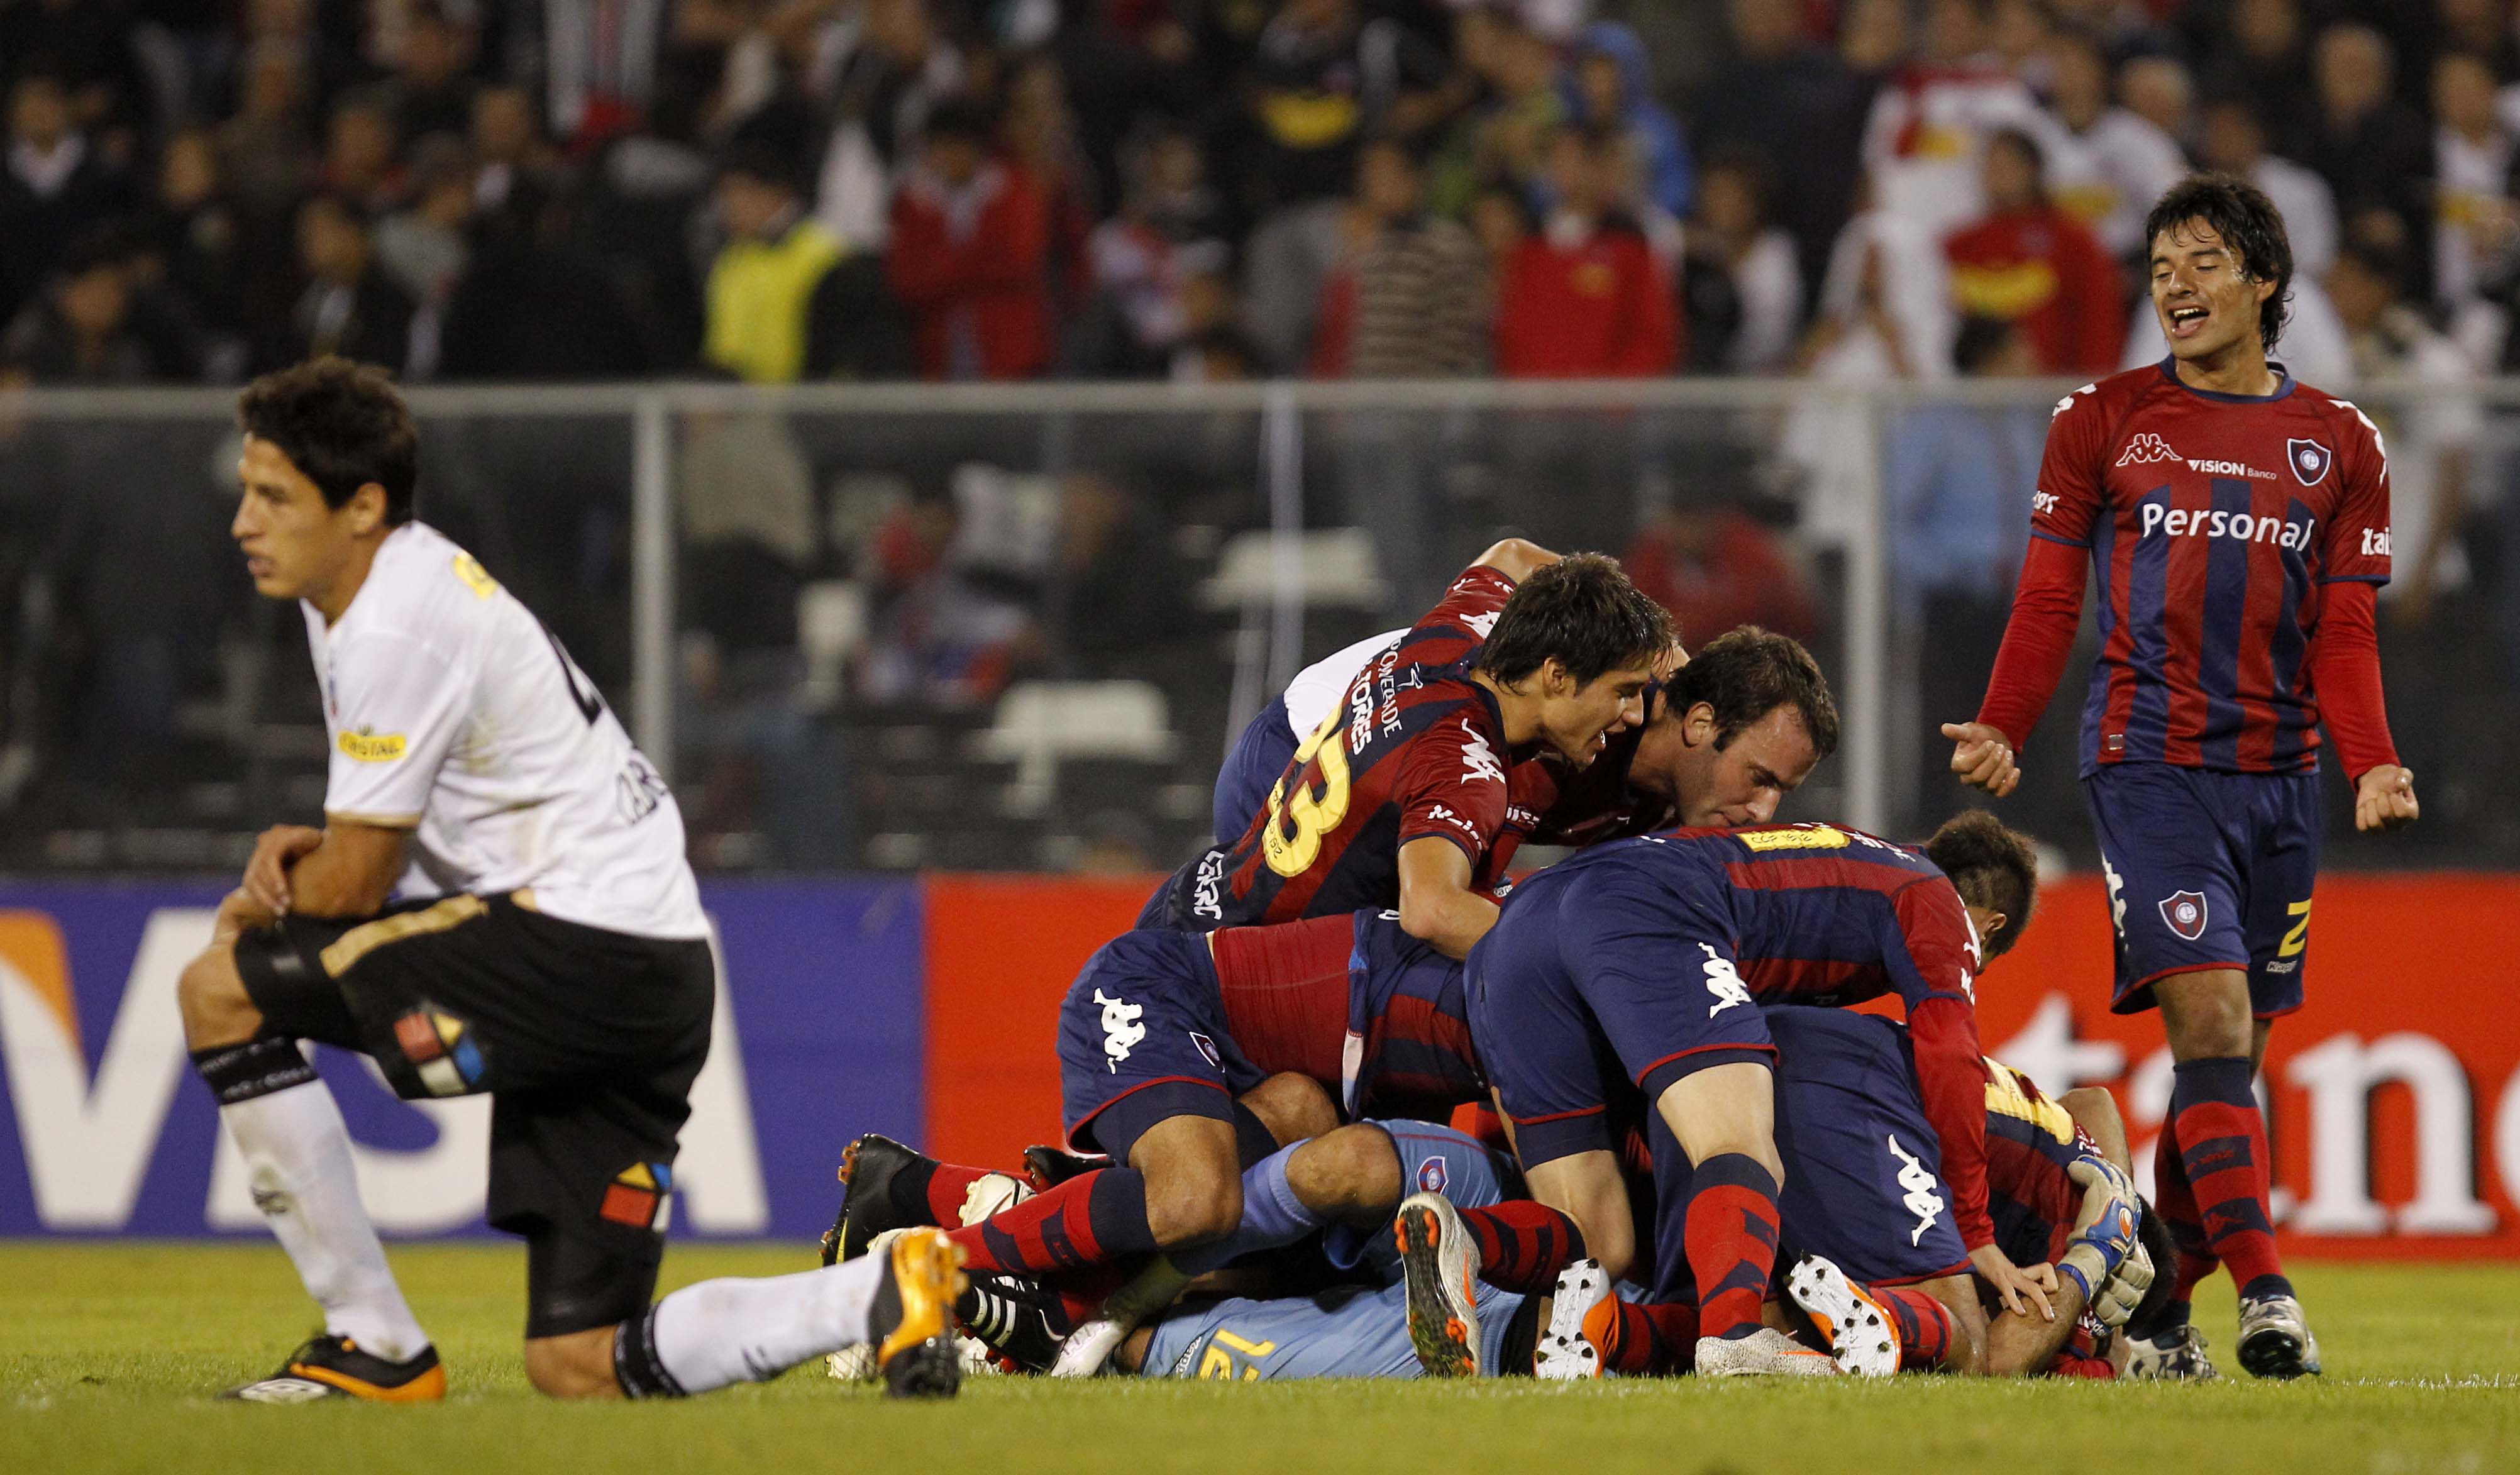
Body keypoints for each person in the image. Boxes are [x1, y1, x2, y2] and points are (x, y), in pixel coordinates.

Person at [175, 358, 966, 1403]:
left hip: (574, 947)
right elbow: (388, 841)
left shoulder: (395, 615)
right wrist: (315, 859)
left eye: (272, 495)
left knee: (220, 989)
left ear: (362, 505)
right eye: (247, 491)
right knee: (579, 1361)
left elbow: (354, 886)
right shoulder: (383, 591)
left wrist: (282, 891)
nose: (244, 521)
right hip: (652, 969)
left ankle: (373, 1340)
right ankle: (874, 1293)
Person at [1943, 174, 2418, 1382]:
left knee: (2226, 1072)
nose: (2173, 285)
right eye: (2159, 267)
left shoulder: (2341, 445)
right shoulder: (2101, 420)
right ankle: (2269, 1298)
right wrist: (2003, 722)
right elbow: (2052, 593)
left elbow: (2344, 634)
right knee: (2205, 1023)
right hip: (2148, 764)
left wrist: (2368, 762)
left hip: (2282, 780)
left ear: (2265, 282)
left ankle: (2156, 1312)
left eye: (2202, 261)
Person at [1465, 810, 2045, 1376]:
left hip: (1522, 922)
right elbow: (1950, 1056)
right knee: (1739, 1146)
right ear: (1989, 926)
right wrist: (1975, 1230)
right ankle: (1736, 1338)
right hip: (1644, 903)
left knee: (1596, 1237)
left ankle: (1464, 1242)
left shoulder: (1859, 858)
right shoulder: (1937, 898)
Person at [1144, 545, 1669, 960]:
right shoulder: (1466, 767)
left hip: (1194, 899)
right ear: (1557, 675)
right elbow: (1433, 913)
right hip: (1207, 964)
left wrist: (1656, 648)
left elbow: (1512, 554)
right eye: (1623, 692)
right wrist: (1598, 957)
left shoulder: (1452, 635)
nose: (1635, 715)